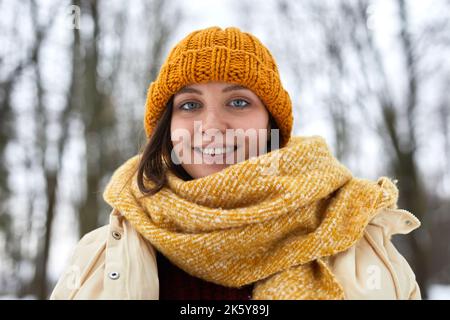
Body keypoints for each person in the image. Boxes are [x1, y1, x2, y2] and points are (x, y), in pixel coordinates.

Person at [50, 26, 421, 300]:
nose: (212, 127)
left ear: (270, 123)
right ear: (168, 128)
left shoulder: (357, 238)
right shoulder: (100, 254)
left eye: (239, 102)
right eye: (190, 105)